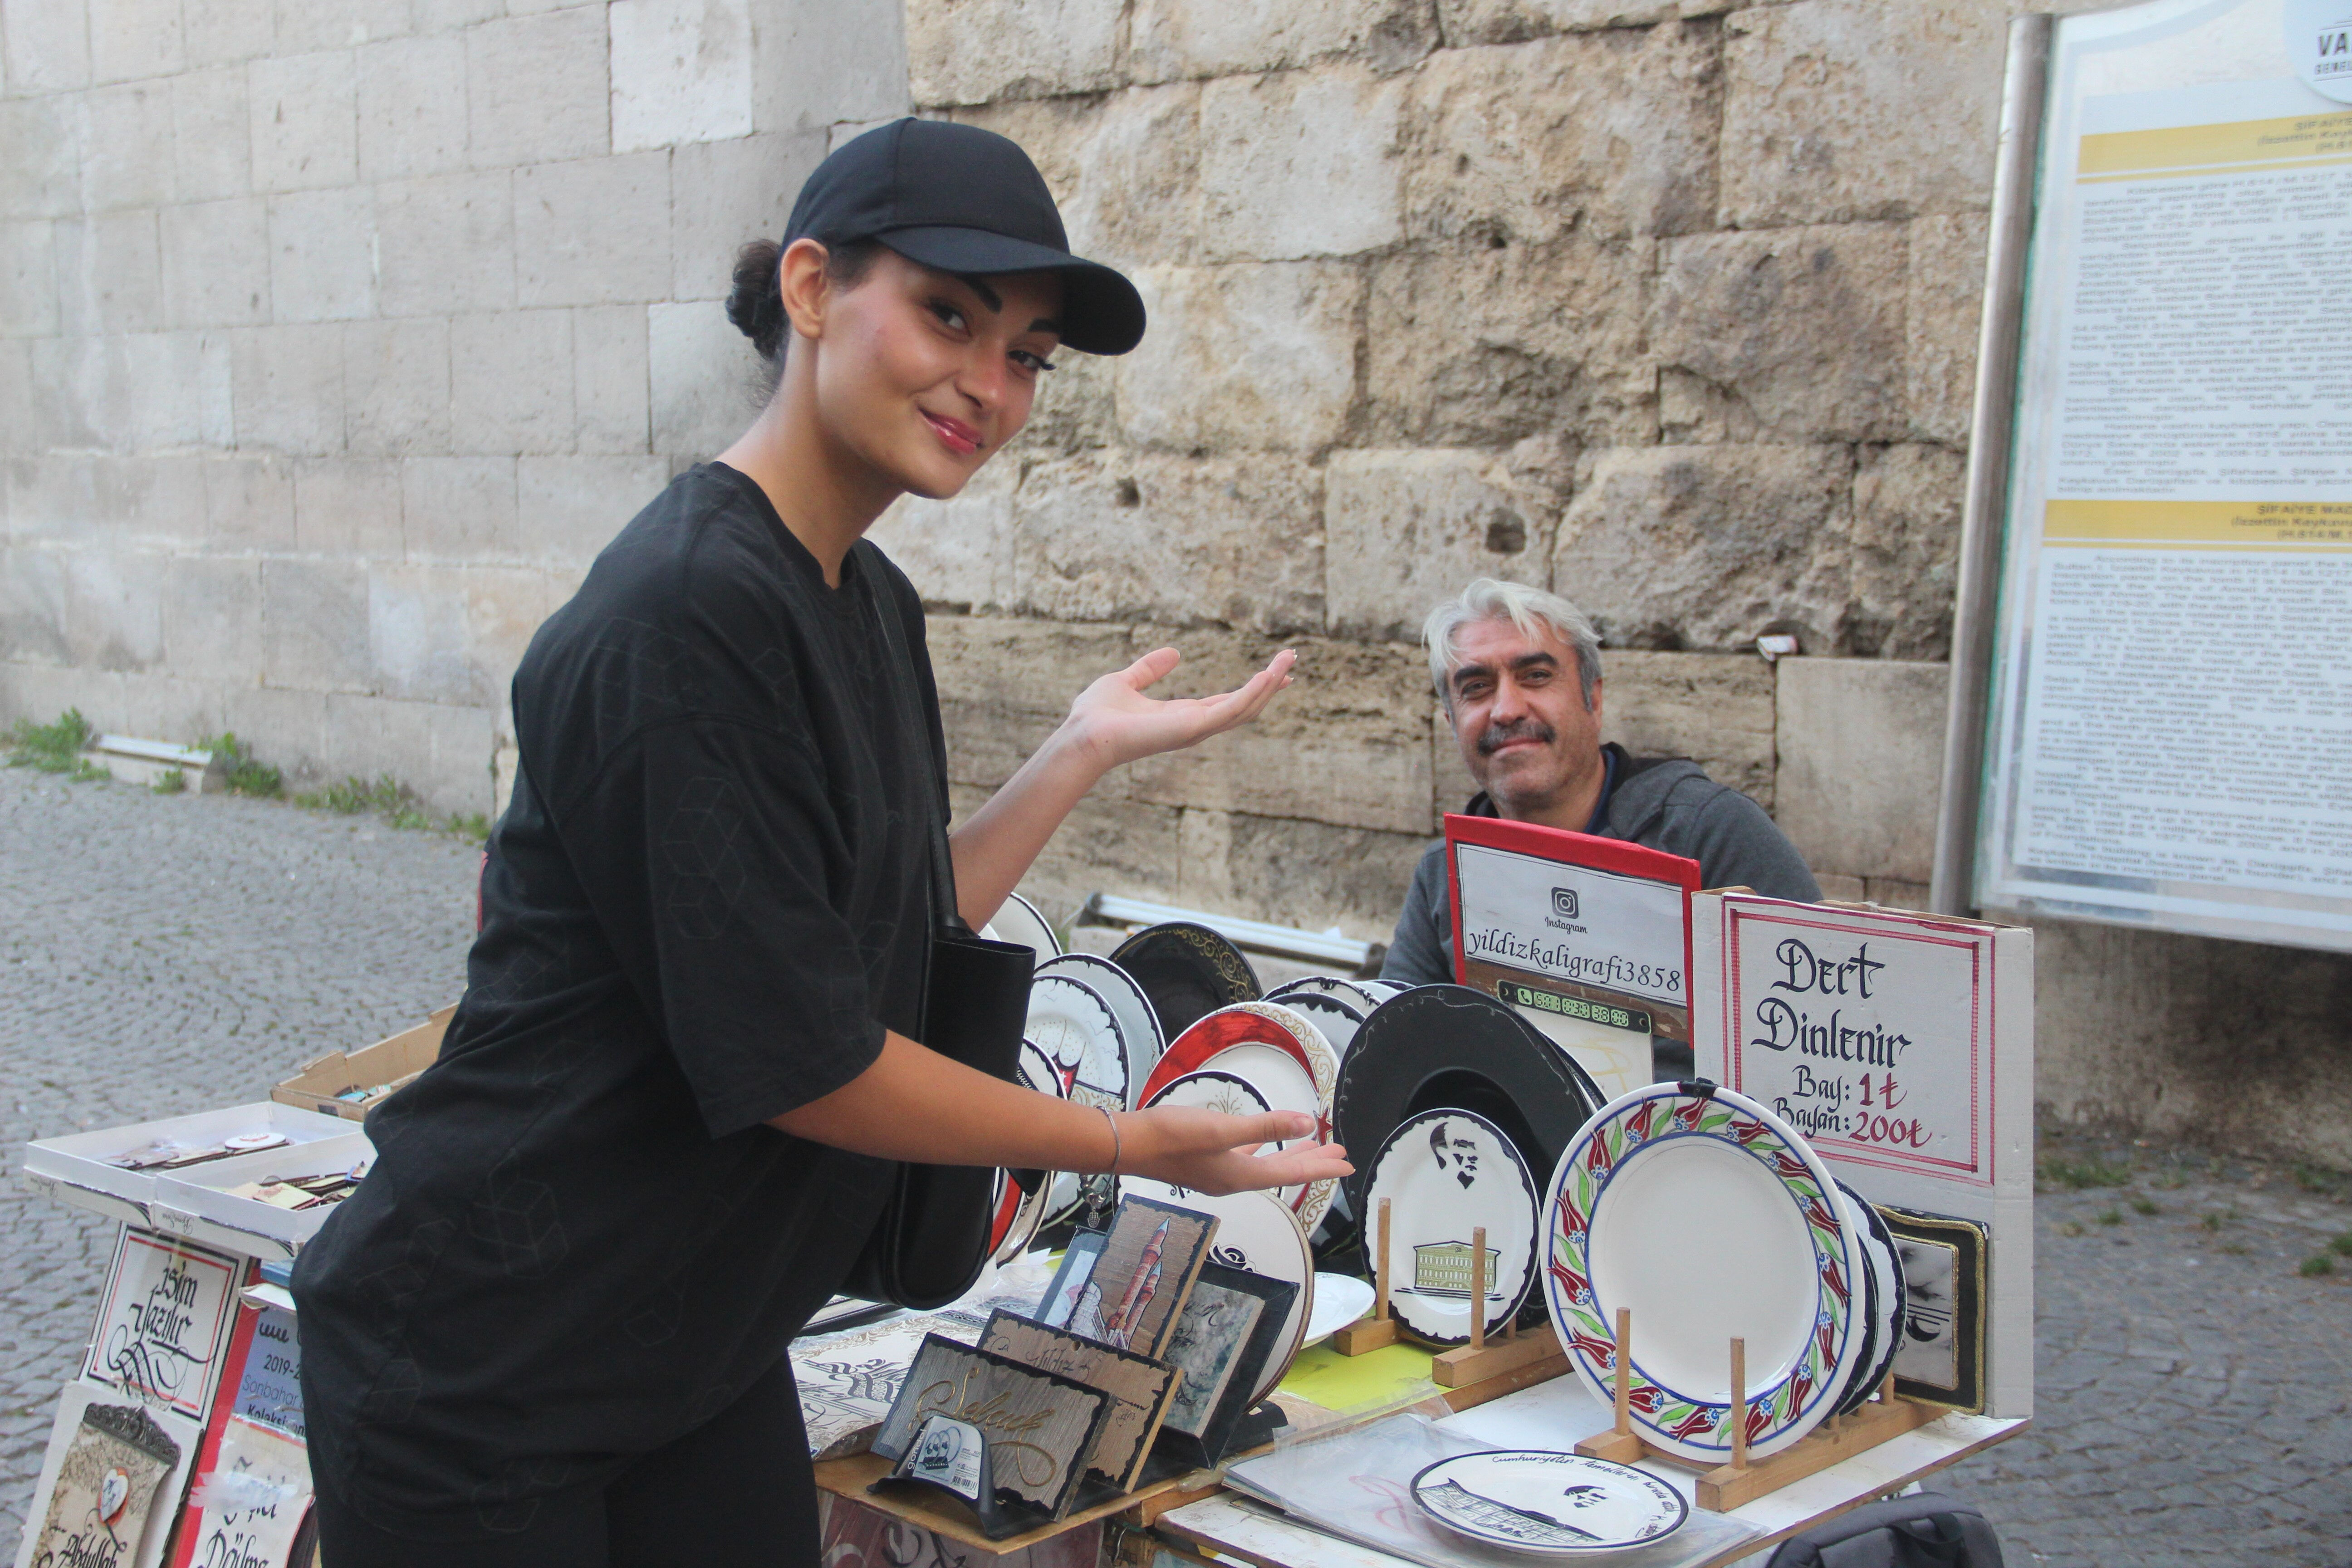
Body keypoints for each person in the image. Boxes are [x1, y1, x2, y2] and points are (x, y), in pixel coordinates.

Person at [292, 119, 1350, 1568]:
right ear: (809, 290)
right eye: (950, 316)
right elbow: (810, 1060)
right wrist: (1124, 1141)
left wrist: (1076, 752)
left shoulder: (864, 597)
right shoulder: (683, 614)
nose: (991, 383)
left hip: (688, 1342)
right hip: (487, 1363)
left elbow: (895, 934)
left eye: (1029, 353)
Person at [1382, 578, 1821, 997]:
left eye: (1535, 676)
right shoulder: (1445, 873)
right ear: (1452, 723)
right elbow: (1396, 1042)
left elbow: (1815, 1018)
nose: (1507, 710)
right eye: (1477, 688)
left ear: (1593, 701)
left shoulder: (1708, 834)